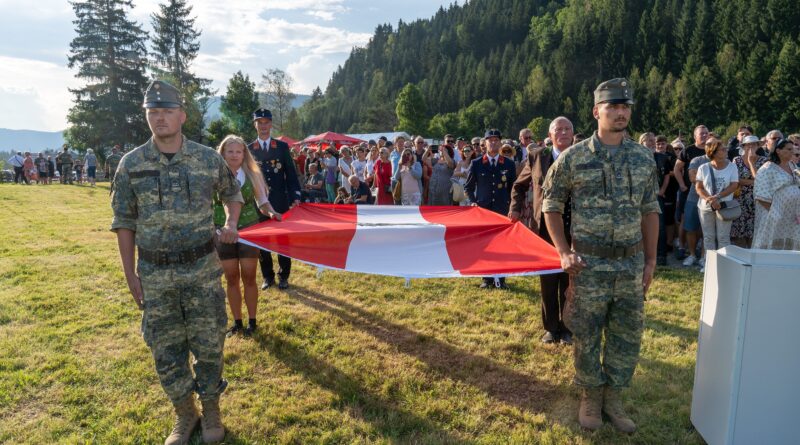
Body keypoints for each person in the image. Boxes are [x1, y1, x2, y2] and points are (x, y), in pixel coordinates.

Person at [110, 80, 243, 445]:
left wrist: (230, 222)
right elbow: (123, 221)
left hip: (201, 269)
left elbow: (232, 192)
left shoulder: (205, 158)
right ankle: (185, 414)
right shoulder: (131, 164)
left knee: (209, 342)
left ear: (182, 116)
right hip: (154, 273)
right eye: (153, 112)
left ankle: (212, 408)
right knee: (165, 348)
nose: (160, 118)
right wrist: (129, 274)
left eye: (167, 111)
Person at [542, 78, 659, 433]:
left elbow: (650, 209)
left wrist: (651, 260)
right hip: (589, 265)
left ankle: (614, 398)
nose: (621, 113)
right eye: (613, 107)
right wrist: (563, 252)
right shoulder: (573, 158)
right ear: (597, 111)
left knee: (627, 335)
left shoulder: (642, 158)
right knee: (588, 334)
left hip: (630, 263)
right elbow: (551, 204)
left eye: (625, 107)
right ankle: (591, 396)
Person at [510, 116, 574, 345]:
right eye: (559, 129)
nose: (563, 132)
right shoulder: (538, 156)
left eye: (568, 129)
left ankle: (567, 327)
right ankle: (551, 328)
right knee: (547, 280)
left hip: (574, 229)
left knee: (570, 280)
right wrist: (514, 211)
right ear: (550, 134)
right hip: (545, 230)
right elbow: (519, 186)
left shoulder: (583, 157)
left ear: (573, 134)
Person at [214, 135, 281, 339]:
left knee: (250, 277)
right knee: (231, 278)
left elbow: (262, 202)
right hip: (222, 232)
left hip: (249, 230)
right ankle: (237, 322)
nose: (234, 155)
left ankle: (252, 321)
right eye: (230, 151)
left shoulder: (252, 174)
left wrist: (271, 213)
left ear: (244, 154)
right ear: (223, 153)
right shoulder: (213, 174)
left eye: (238, 151)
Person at [247, 108, 301, 291]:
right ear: (255, 125)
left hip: (280, 201)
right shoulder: (249, 150)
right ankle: (267, 276)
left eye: (266, 122)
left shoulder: (282, 147)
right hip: (259, 204)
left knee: (283, 240)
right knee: (262, 241)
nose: (263, 126)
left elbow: (291, 175)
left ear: (271, 124)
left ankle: (283, 276)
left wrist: (295, 196)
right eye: (259, 122)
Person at [465, 129, 517, 289]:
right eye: (490, 140)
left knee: (502, 245)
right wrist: (473, 202)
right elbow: (468, 187)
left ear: (500, 142)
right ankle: (487, 279)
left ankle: (500, 279)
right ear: (485, 143)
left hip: (502, 210)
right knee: (485, 245)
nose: (493, 142)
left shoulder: (508, 163)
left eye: (496, 140)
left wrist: (512, 206)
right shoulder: (477, 163)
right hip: (484, 211)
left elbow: (513, 188)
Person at [695, 139, 739, 265]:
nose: (726, 151)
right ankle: (709, 265)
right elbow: (699, 187)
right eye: (723, 149)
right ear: (713, 152)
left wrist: (718, 197)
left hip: (724, 207)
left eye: (725, 148)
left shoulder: (732, 166)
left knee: (723, 237)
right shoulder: (703, 168)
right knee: (708, 237)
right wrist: (710, 199)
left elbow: (733, 185)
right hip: (706, 207)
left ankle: (723, 265)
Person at [753, 138, 800, 250]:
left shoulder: (792, 165)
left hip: (791, 214)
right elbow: (761, 194)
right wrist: (774, 213)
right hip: (774, 214)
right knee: (771, 242)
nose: (792, 152)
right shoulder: (767, 168)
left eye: (792, 149)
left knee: (789, 242)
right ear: (778, 150)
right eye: (788, 149)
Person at [673, 126, 709, 264]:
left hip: (709, 195)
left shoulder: (714, 151)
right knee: (687, 223)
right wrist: (682, 184)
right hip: (690, 192)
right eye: (702, 134)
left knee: (706, 226)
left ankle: (703, 254)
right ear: (695, 136)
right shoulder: (688, 150)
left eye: (706, 133)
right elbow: (677, 169)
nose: (705, 135)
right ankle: (686, 250)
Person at [730, 135, 767, 247]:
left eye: (754, 144)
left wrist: (751, 162)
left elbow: (762, 180)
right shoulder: (736, 160)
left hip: (756, 200)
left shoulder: (764, 161)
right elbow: (735, 180)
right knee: (739, 232)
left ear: (758, 146)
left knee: (754, 232)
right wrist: (753, 181)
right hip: (740, 199)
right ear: (744, 146)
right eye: (748, 144)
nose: (751, 146)